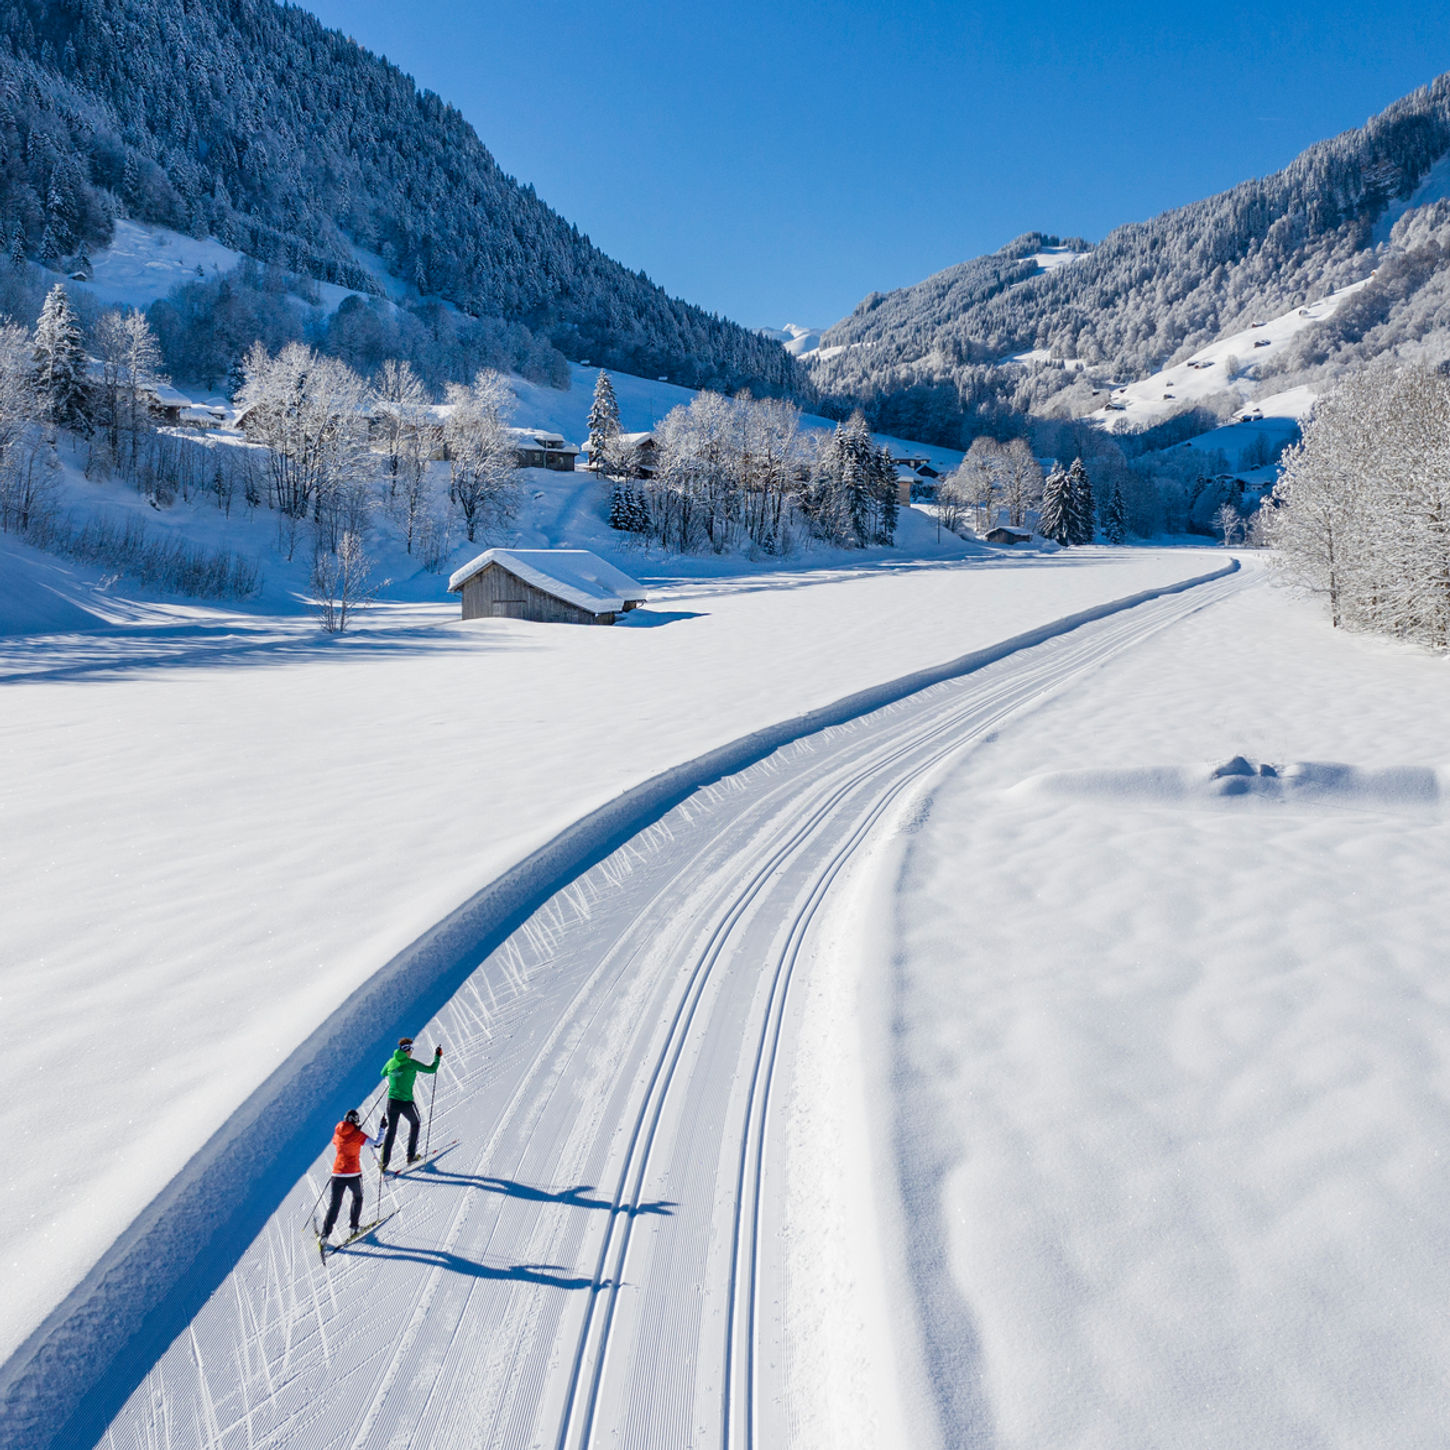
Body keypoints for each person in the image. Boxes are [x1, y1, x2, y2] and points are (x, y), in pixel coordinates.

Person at [377, 1035, 443, 1170]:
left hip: (392, 1102)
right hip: (406, 1102)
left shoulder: (391, 1062)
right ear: (407, 1050)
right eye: (411, 1049)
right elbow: (432, 1069)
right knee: (416, 1123)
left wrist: (394, 1077)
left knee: (391, 1131)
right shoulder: (410, 1063)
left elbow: (383, 1073)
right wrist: (437, 1057)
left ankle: (384, 1163)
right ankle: (410, 1156)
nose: (412, 1051)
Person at [320, 1108, 369, 1243]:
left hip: (337, 1174)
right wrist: (382, 1129)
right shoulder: (357, 1135)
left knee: (334, 1204)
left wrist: (353, 1132)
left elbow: (337, 1141)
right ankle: (354, 1227)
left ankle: (324, 1235)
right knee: (358, 1198)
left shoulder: (337, 1134)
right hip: (354, 1174)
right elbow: (377, 1143)